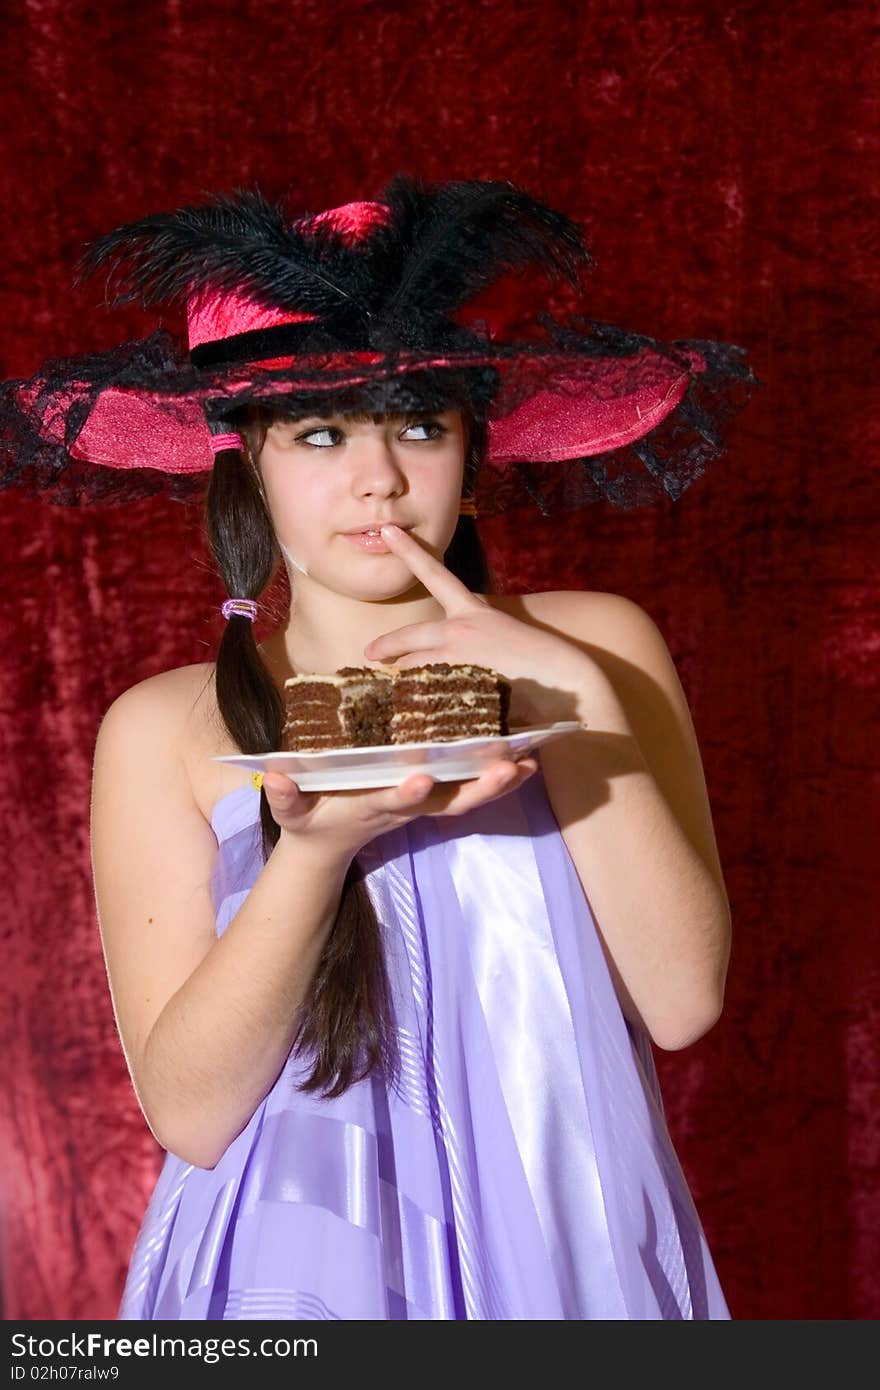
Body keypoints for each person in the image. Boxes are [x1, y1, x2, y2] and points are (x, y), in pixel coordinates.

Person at [1, 174, 759, 1319]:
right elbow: (193, 1113)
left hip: (564, 1243)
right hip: (290, 1271)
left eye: (420, 424)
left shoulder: (593, 645)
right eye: (319, 432)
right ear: (242, 456)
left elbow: (680, 997)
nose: (381, 480)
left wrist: (561, 689)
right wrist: (311, 854)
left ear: (472, 446)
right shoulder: (164, 726)